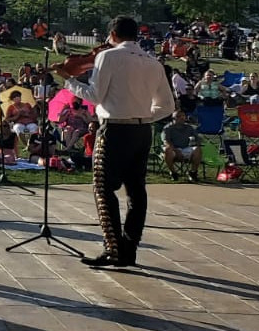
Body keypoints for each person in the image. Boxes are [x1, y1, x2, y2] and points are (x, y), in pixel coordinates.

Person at [56, 16, 175, 268]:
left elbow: (95, 95)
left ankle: (113, 247)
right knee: (136, 190)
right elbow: (167, 105)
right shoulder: (153, 63)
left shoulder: (108, 57)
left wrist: (68, 80)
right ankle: (129, 249)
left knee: (102, 187)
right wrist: (142, 115)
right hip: (142, 130)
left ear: (113, 35)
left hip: (115, 129)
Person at [161, 111, 200, 182]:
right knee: (168, 149)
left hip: (185, 148)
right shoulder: (168, 128)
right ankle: (173, 173)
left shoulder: (189, 127)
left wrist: (196, 143)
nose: (182, 118)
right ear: (173, 118)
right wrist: (176, 150)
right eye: (178, 116)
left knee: (197, 149)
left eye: (183, 116)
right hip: (173, 149)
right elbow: (167, 142)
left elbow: (197, 138)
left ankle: (193, 173)